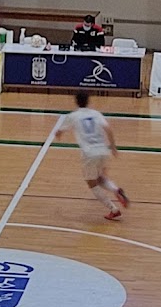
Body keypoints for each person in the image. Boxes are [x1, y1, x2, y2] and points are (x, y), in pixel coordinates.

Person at [55, 91, 129, 220]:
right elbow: (108, 129)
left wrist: (58, 134)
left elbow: (59, 131)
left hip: (89, 153)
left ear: (76, 101)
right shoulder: (96, 114)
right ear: (88, 101)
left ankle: (113, 209)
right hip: (102, 150)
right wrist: (113, 147)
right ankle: (116, 190)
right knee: (100, 178)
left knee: (92, 183)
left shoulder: (73, 116)